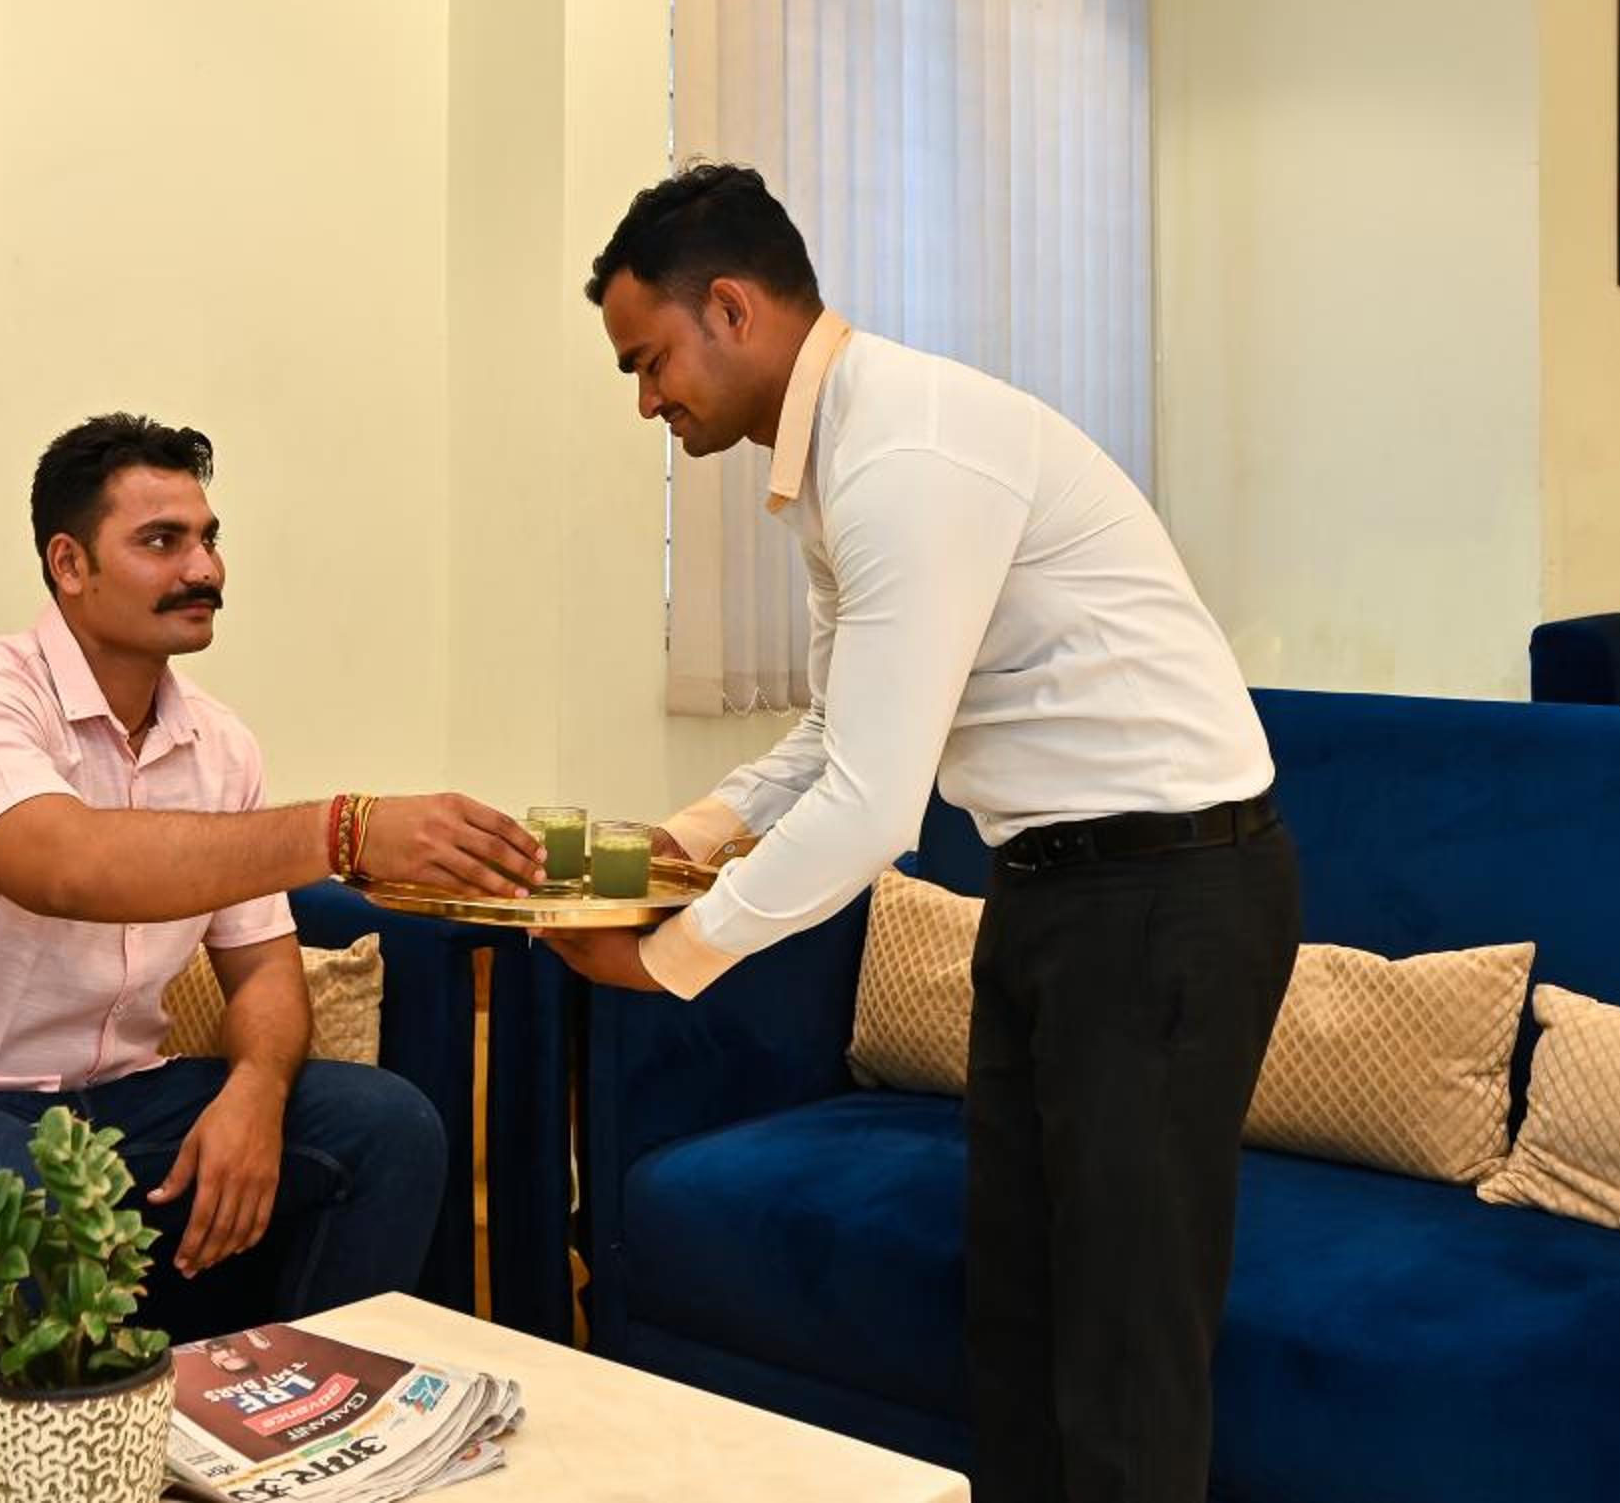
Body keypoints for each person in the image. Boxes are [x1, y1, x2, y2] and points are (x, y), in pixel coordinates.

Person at [543, 164, 1300, 1503]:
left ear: (733, 308)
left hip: (1167, 894)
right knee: (1014, 1320)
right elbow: (837, 728)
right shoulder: (838, 460)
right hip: (1054, 888)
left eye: (648, 360)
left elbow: (871, 808)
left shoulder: (904, 455)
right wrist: (684, 841)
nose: (647, 400)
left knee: (1124, 1348)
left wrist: (665, 958)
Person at [0, 414, 541, 1382]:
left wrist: (255, 1090)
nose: (204, 569)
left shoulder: (220, 743)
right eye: (161, 541)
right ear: (69, 563)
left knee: (386, 1124)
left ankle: (300, 1421)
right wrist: (344, 830)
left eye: (208, 538)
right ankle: (34, 1460)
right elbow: (64, 864)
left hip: (116, 1102)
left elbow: (265, 965)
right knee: (38, 1194)